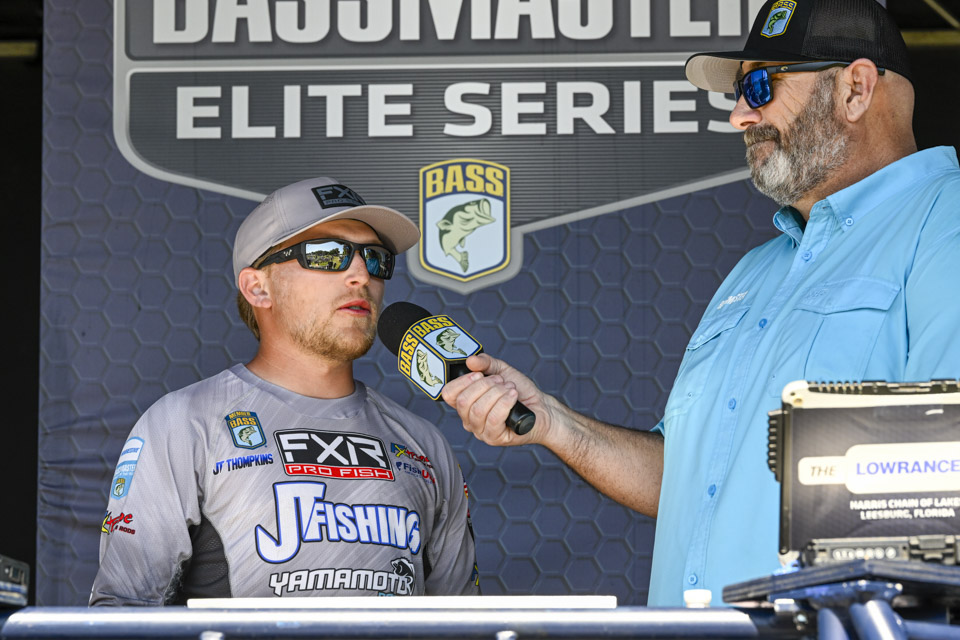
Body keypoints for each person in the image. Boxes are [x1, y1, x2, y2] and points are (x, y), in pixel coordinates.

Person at [440, 0, 960, 607]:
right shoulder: (757, 269)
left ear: (855, 89)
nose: (740, 115)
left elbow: (941, 471)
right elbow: (688, 480)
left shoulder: (944, 222)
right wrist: (554, 424)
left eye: (760, 86)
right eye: (739, 93)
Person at [90, 178, 480, 604]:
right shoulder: (185, 424)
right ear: (258, 288)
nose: (361, 275)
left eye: (375, 258)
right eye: (327, 254)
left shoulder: (425, 444)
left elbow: (462, 625)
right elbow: (122, 611)